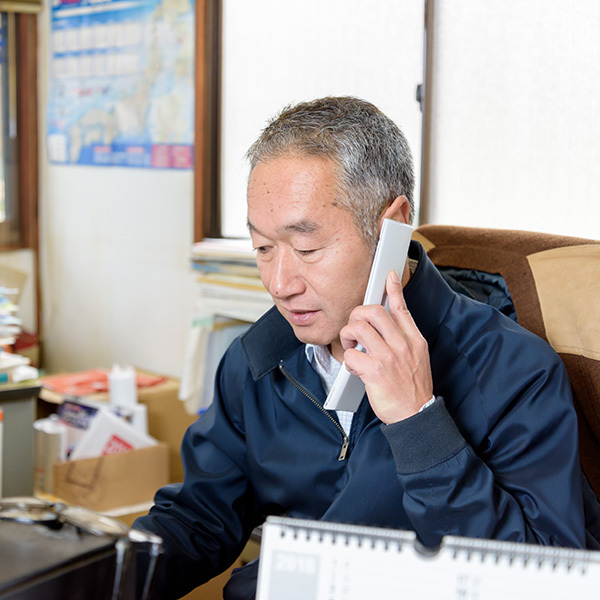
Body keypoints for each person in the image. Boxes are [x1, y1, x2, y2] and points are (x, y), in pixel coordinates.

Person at [134, 96, 600, 599]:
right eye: (263, 249)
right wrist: (93, 575)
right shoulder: (260, 356)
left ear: (391, 226)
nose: (279, 283)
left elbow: (541, 585)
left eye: (307, 249)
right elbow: (199, 519)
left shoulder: (512, 370)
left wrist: (419, 423)